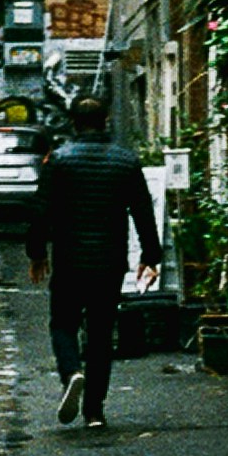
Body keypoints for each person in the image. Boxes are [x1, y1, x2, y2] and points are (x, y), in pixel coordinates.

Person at [26, 89, 161, 430]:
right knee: (101, 334)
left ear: (73, 123)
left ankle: (72, 371)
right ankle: (94, 411)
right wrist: (151, 257)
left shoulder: (60, 160)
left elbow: (41, 211)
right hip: (109, 262)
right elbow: (143, 212)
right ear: (105, 122)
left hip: (71, 260)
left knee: (62, 324)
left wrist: (37, 253)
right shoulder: (126, 161)